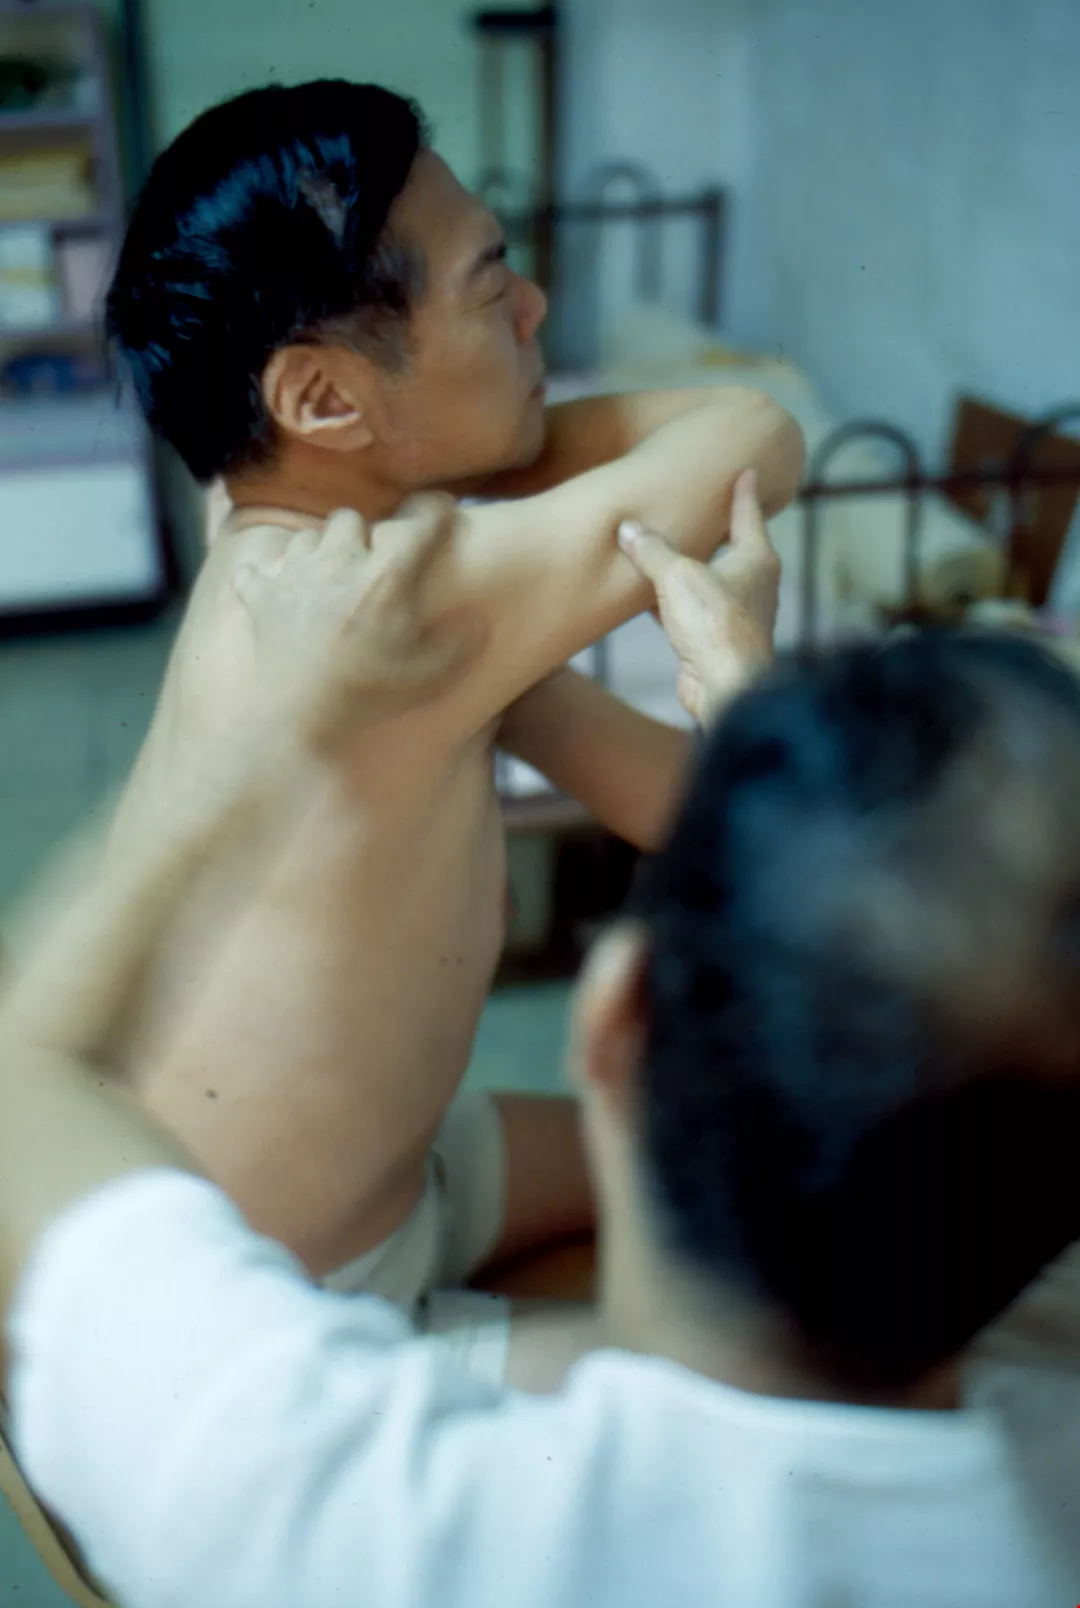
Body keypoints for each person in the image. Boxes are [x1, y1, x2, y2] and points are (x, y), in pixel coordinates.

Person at [5, 482, 1080, 1608]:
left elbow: (22, 1092)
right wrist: (736, 701)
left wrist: (263, 730)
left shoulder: (333, 1508)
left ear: (613, 1018)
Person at [100, 77, 805, 1377]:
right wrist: (496, 448)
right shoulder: (393, 610)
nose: (534, 306)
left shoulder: (281, 535)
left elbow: (683, 809)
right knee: (812, 1381)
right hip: (274, 1320)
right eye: (491, 285)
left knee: (766, 1172)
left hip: (377, 1181)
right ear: (322, 402)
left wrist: (458, 438)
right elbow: (759, 429)